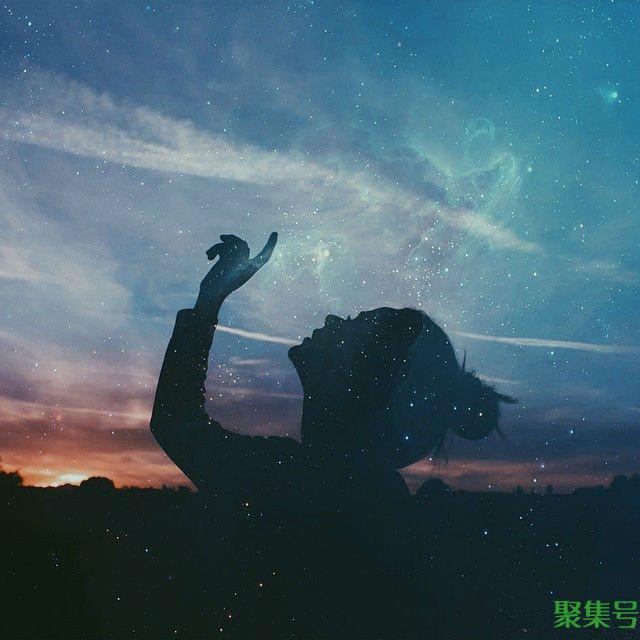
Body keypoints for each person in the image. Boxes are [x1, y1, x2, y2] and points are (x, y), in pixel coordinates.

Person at [150, 232, 515, 512]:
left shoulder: (307, 488)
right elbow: (177, 426)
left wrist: (210, 301)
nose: (332, 319)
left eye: (354, 324)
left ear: (367, 382)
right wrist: (209, 299)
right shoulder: (353, 490)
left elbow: (177, 426)